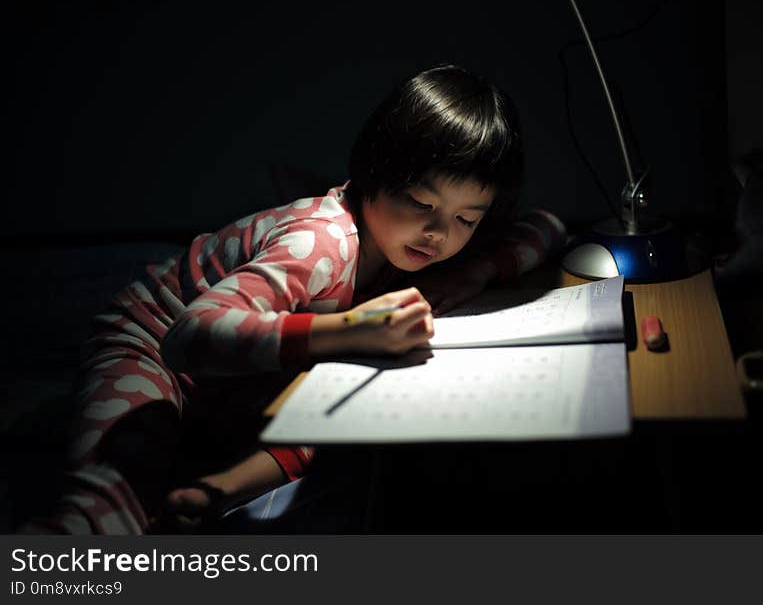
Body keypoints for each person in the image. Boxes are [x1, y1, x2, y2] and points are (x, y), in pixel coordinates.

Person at [20, 64, 565, 534]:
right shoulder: (320, 241)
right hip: (150, 346)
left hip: (243, 382)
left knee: (357, 418)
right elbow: (188, 337)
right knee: (109, 509)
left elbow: (546, 225)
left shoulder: (421, 253)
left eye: (467, 219)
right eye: (419, 202)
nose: (438, 235)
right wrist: (349, 328)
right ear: (373, 172)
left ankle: (217, 488)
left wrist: (476, 274)